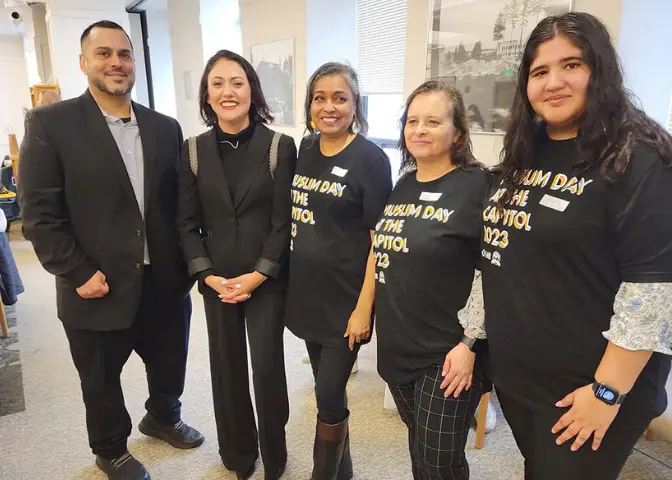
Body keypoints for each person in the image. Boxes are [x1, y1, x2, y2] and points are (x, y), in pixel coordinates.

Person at [479, 12, 672, 480]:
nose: (554, 83)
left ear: (600, 70)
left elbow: (653, 291)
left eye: (572, 65)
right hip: (520, 377)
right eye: (540, 71)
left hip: (588, 389)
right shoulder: (527, 150)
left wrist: (606, 393)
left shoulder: (637, 158)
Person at [18, 21, 202, 480]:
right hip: (95, 283)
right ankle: (110, 448)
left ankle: (162, 416)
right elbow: (40, 213)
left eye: (124, 53)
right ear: (84, 63)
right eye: (103, 54)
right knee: (100, 378)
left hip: (162, 279)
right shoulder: (50, 124)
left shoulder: (164, 127)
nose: (115, 62)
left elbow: (178, 204)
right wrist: (77, 271)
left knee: (169, 360)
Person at [176, 49, 296, 480]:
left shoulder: (280, 146)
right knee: (226, 368)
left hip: (266, 278)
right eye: (218, 84)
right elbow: (186, 223)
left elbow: (285, 221)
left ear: (252, 90)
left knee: (266, 367)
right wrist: (206, 274)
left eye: (237, 82)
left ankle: (274, 455)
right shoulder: (192, 150)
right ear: (207, 95)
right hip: (217, 279)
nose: (228, 92)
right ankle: (238, 455)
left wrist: (260, 272)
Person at [374, 81, 490, 480]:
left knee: (441, 459)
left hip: (448, 351)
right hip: (397, 341)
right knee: (421, 446)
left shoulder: (478, 185)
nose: (418, 130)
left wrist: (470, 342)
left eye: (433, 122)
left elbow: (492, 269)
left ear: (457, 133)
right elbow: (385, 254)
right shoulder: (404, 182)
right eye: (412, 121)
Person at [285, 62, 392, 479]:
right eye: (320, 97)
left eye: (340, 98)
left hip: (346, 300)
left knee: (330, 392)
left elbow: (378, 241)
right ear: (310, 104)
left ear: (355, 105)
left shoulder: (371, 159)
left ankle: (323, 475)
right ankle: (341, 472)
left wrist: (366, 307)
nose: (329, 107)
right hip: (307, 295)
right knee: (323, 386)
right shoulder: (305, 148)